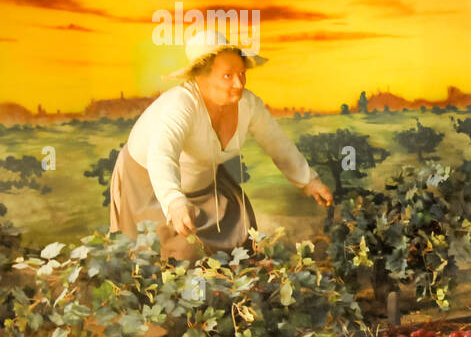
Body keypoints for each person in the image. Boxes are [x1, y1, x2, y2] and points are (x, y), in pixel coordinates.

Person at [109, 30, 333, 261]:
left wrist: (308, 181)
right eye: (227, 76)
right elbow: (161, 156)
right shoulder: (181, 105)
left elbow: (276, 142)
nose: (239, 83)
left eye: (242, 74)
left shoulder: (248, 104)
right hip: (150, 185)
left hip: (203, 179)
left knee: (239, 236)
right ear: (201, 78)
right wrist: (175, 203)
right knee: (172, 256)